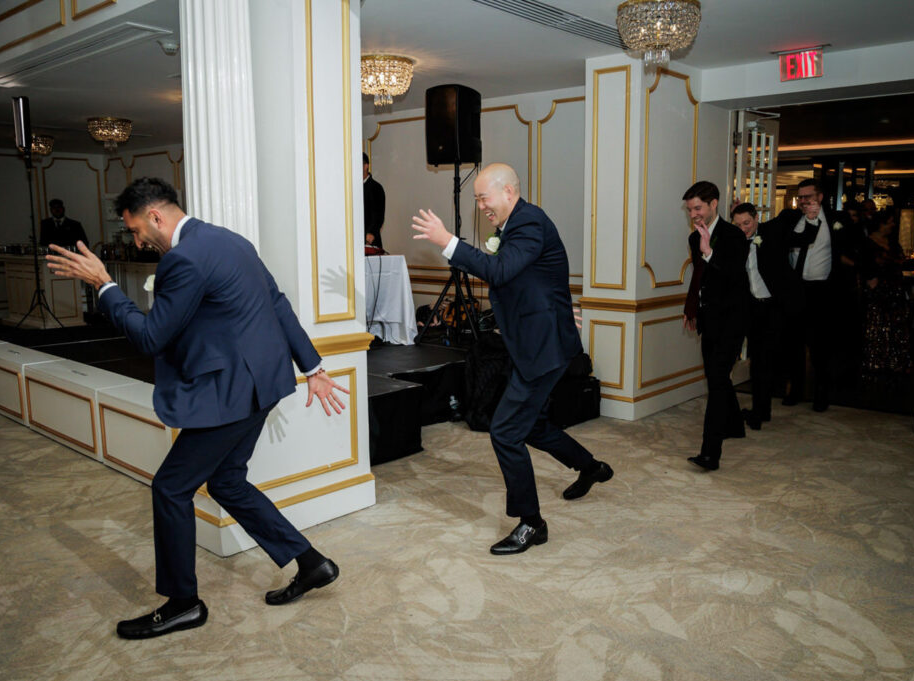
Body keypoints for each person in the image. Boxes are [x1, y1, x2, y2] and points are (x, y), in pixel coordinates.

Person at [46, 178, 349, 639]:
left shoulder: (183, 259)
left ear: (155, 216)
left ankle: (182, 603)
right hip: (260, 385)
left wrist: (105, 286)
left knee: (170, 488)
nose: (135, 240)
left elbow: (150, 338)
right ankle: (311, 563)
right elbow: (277, 303)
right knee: (227, 482)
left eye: (133, 230)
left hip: (232, 392)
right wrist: (312, 367)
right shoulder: (229, 239)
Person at [411, 163, 611, 555]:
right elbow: (534, 277)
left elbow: (500, 271)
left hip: (543, 349)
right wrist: (555, 305)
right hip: (538, 340)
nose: (481, 205)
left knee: (505, 431)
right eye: (477, 199)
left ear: (508, 192)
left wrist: (447, 241)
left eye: (484, 197)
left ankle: (531, 523)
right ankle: (591, 467)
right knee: (531, 425)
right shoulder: (516, 225)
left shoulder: (529, 222)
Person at [682, 181, 749, 471]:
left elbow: (734, 274)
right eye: (689, 210)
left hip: (733, 319)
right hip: (708, 318)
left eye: (698, 208)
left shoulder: (734, 235)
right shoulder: (692, 237)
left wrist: (710, 252)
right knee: (716, 377)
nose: (694, 214)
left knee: (718, 382)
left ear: (713, 204)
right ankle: (734, 425)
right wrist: (691, 307)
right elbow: (700, 277)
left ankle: (710, 453)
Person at [779, 179, 852, 412]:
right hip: (795, 289)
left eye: (807, 196)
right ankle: (795, 389)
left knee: (820, 345)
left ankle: (821, 392)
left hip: (822, 291)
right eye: (800, 197)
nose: (802, 201)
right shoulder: (790, 218)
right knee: (793, 343)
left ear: (819, 197)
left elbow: (852, 248)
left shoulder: (837, 220)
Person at [731, 203, 791, 431]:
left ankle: (764, 407)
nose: (743, 228)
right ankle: (760, 410)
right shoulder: (736, 242)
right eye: (738, 224)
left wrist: (812, 212)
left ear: (756, 218)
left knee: (770, 360)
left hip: (775, 307)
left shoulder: (771, 232)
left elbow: (789, 217)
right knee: (758, 362)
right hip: (752, 308)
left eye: (747, 223)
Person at [859, 210, 911, 376]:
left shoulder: (893, 242)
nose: (893, 225)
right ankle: (876, 360)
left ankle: (895, 361)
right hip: (878, 288)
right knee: (878, 323)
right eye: (890, 222)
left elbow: (901, 260)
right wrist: (871, 280)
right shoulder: (868, 243)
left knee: (896, 323)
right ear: (881, 224)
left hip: (895, 286)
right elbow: (863, 266)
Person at [363, 153, 385, 249]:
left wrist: (371, 233)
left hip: (369, 240)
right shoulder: (350, 188)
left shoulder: (376, 187)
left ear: (366, 166)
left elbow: (378, 214)